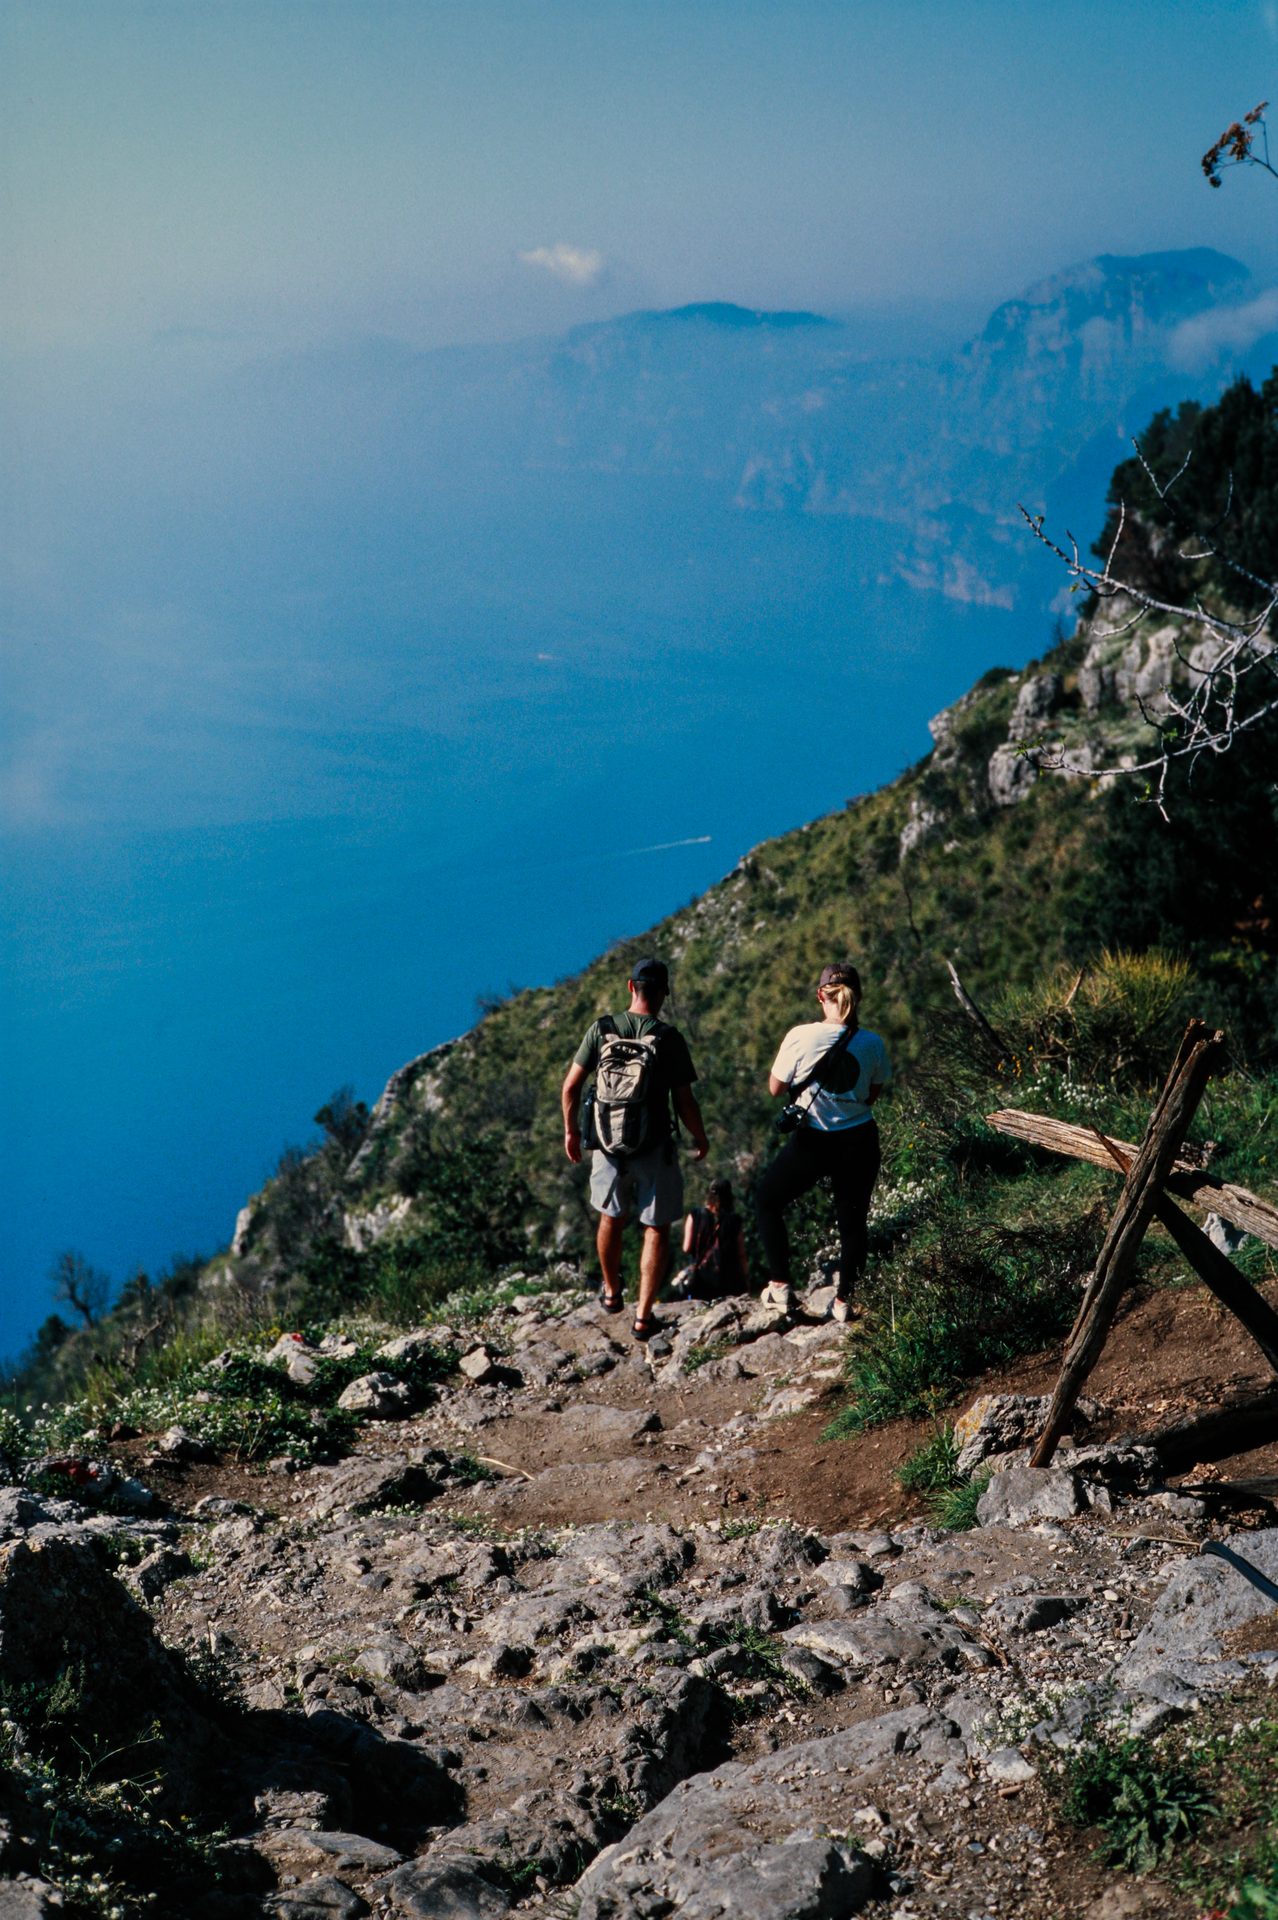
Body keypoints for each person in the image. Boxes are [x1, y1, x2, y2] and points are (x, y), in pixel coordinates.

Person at [561, 957, 709, 1339]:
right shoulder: (668, 1037)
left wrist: (572, 1133)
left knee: (610, 1217)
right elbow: (685, 1101)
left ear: (631, 987)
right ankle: (643, 1316)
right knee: (655, 1228)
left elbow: (570, 1088)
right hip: (654, 1147)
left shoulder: (602, 1030)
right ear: (664, 993)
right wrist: (699, 1136)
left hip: (607, 1146)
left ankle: (611, 1293)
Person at [756, 962, 890, 1321]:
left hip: (813, 1141)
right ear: (858, 997)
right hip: (859, 1138)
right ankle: (846, 1302)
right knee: (853, 1223)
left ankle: (781, 1287)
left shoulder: (801, 1036)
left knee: (767, 1200)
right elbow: (872, 1094)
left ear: (821, 995)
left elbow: (775, 1088)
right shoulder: (873, 1042)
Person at [674, 1177, 749, 1300]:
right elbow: (741, 1254)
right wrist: (746, 1279)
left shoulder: (695, 1215)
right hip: (727, 1279)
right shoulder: (735, 1220)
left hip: (701, 1280)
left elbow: (686, 1248)